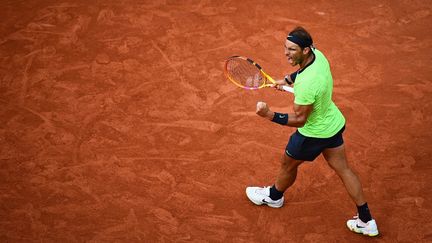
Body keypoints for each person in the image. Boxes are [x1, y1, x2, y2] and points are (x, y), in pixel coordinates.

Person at [245, 26, 379, 237]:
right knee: (344, 169)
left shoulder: (307, 85)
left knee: (288, 163)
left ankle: (274, 196)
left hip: (313, 134)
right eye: (285, 48)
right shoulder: (319, 56)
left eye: (292, 49)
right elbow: (303, 71)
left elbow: (299, 119)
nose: (286, 53)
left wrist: (269, 114)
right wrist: (288, 80)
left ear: (306, 50)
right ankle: (366, 219)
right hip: (332, 123)